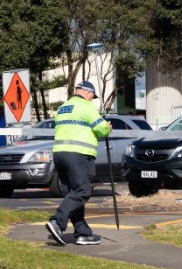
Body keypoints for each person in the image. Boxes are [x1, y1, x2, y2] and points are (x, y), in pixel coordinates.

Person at [45, 81, 112, 246]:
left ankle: (83, 233)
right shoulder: (86, 107)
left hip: (60, 154)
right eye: (92, 96)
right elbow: (101, 129)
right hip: (79, 155)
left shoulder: (63, 108)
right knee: (82, 191)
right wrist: (108, 127)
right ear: (87, 93)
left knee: (72, 194)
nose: (92, 99)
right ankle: (57, 221)